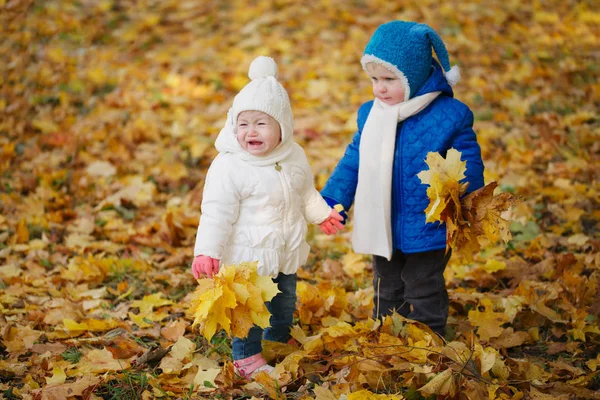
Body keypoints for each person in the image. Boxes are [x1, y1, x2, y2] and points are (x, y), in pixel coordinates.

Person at [321, 21, 485, 337]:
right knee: (387, 283)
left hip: (428, 222)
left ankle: (428, 336)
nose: (379, 88)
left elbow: (467, 165)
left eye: (389, 79)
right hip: (382, 220)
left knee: (422, 284)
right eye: (373, 79)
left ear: (415, 75)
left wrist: (469, 200)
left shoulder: (450, 115)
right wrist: (334, 199)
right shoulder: (372, 114)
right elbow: (353, 162)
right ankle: (388, 334)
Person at [191, 56, 344, 378]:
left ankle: (276, 339)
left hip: (285, 250)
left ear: (282, 128)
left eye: (261, 123)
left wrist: (320, 215)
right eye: (243, 124)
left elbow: (305, 192)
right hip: (247, 258)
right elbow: (216, 212)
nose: (251, 132)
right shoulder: (229, 165)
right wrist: (207, 251)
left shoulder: (294, 155)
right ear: (233, 126)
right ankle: (246, 357)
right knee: (250, 309)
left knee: (283, 301)